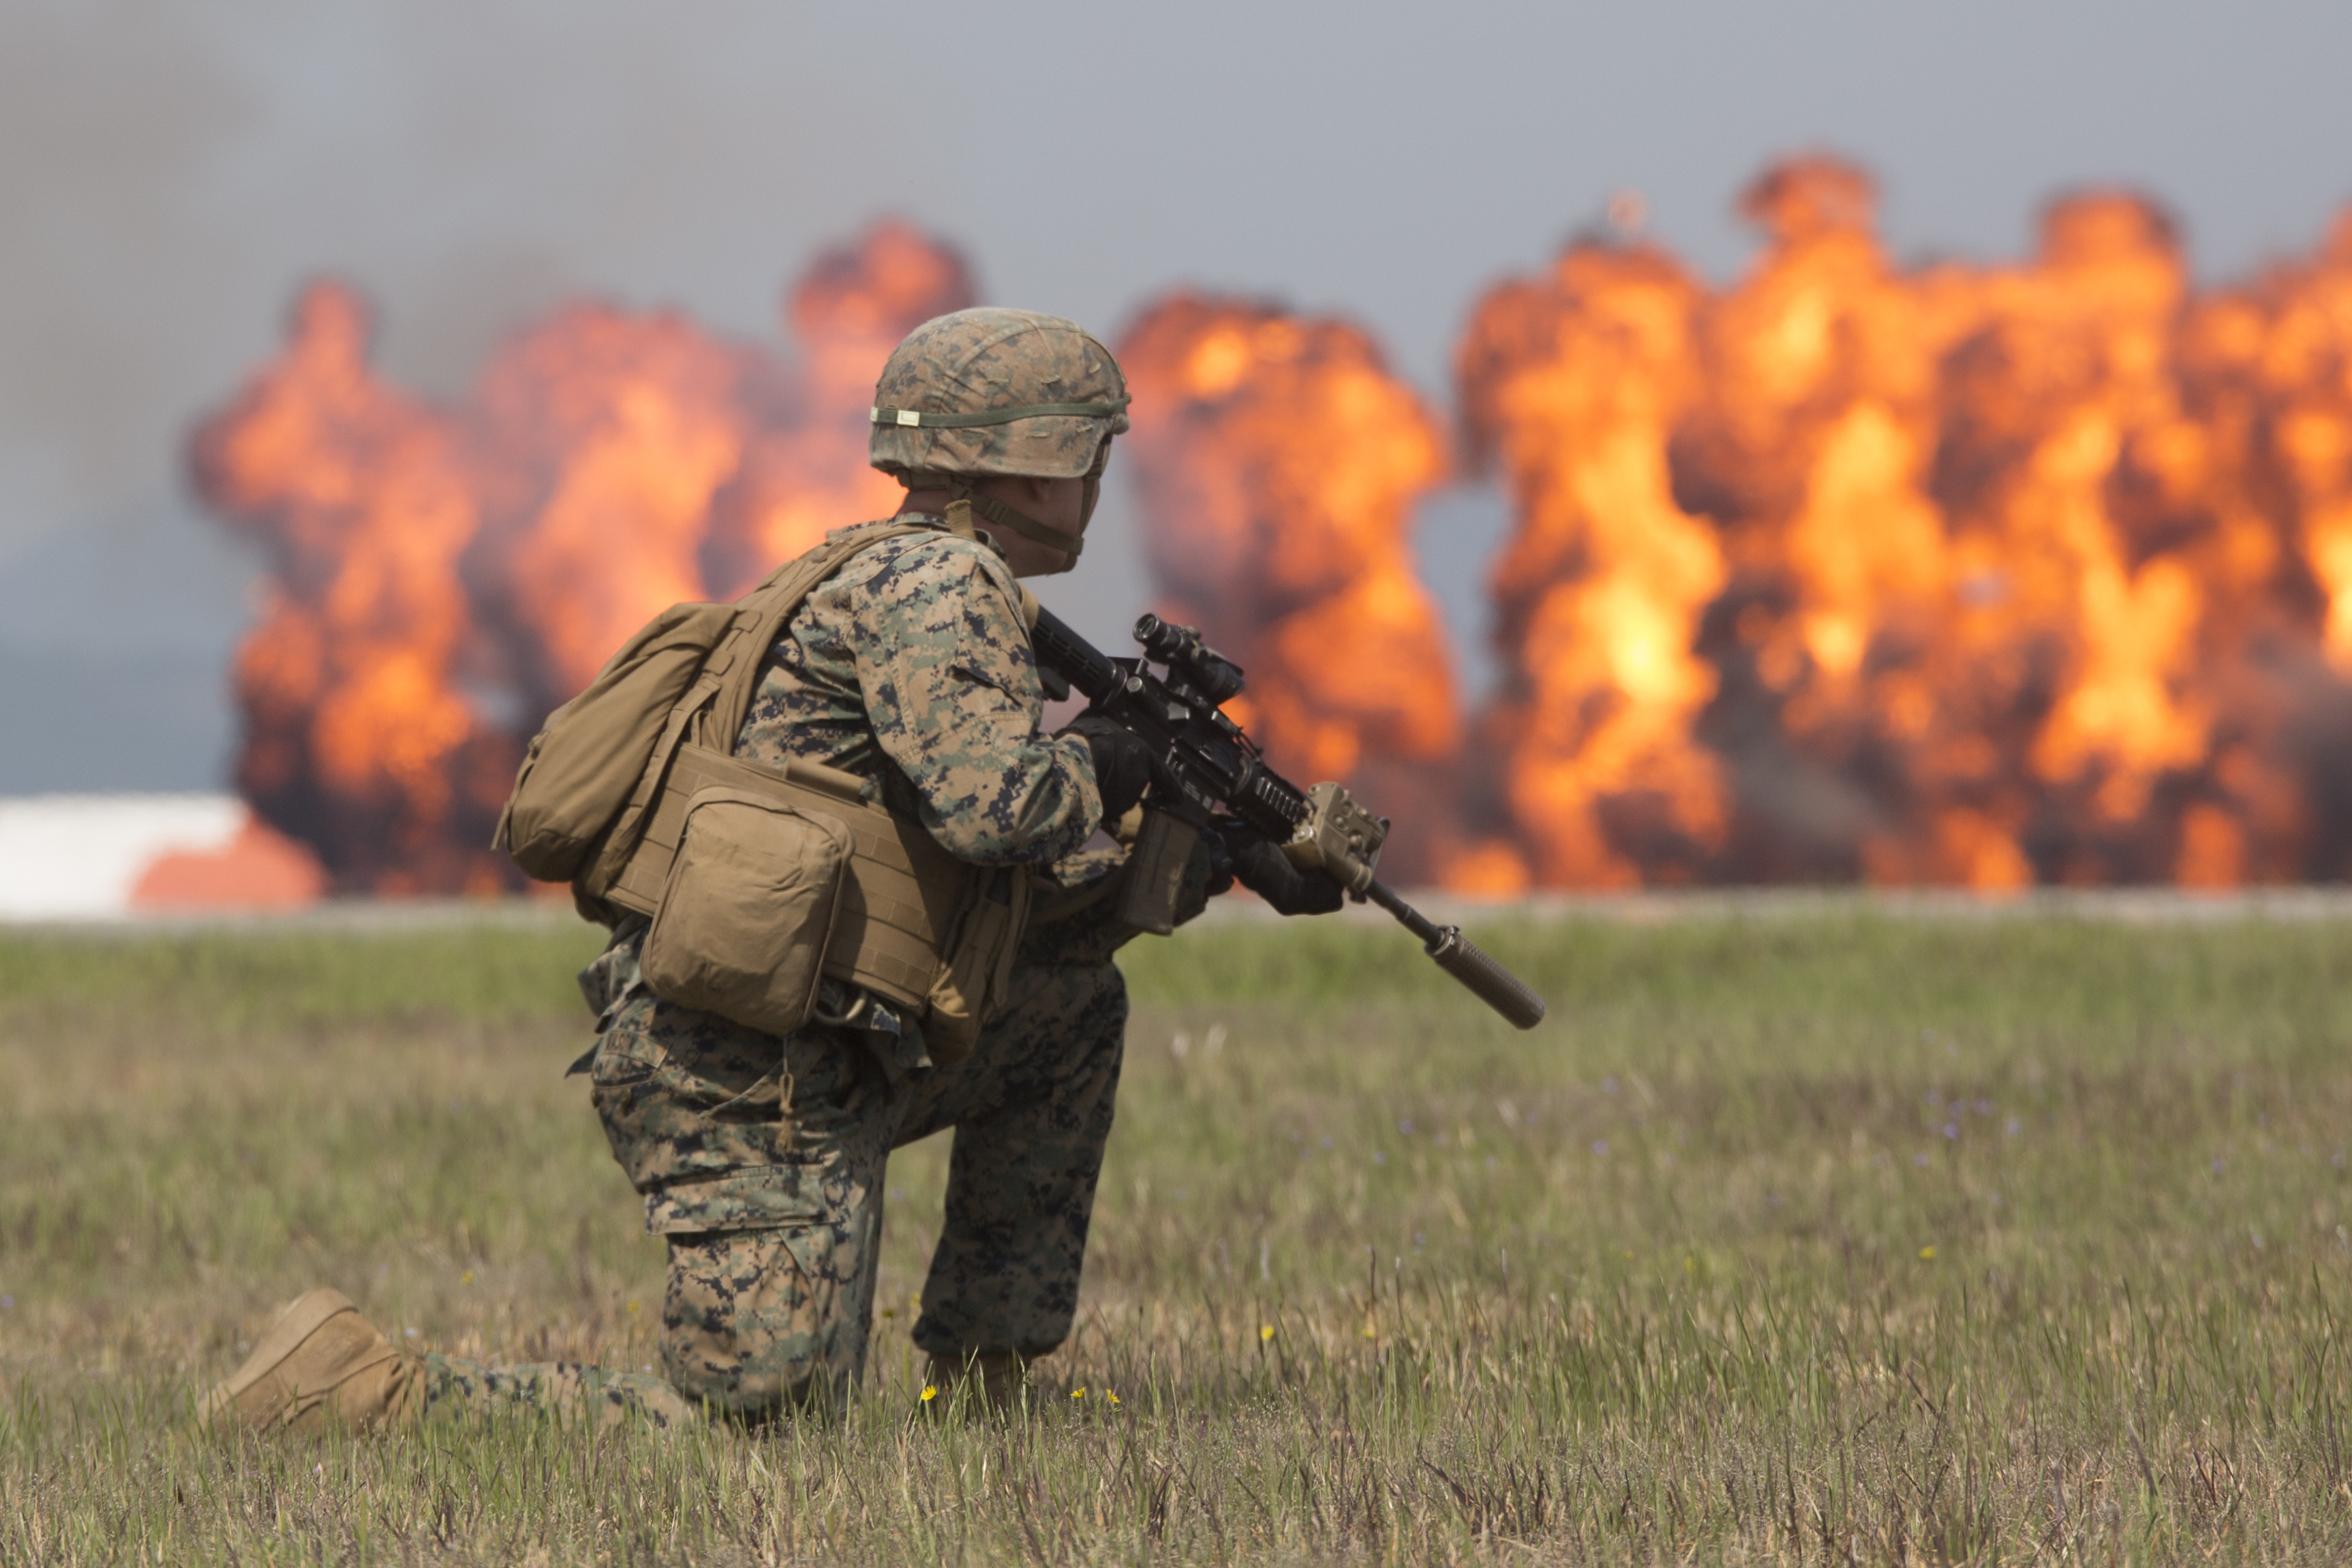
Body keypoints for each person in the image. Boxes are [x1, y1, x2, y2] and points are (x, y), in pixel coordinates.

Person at [204, 307, 1341, 1434]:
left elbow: (1002, 913)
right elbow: (998, 812)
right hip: (744, 1076)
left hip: (829, 1038)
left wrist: (1210, 860)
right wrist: (1110, 756)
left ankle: (989, 1390)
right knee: (761, 1426)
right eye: (1089, 451)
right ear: (1031, 462)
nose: (1099, 482)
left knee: (1070, 1011)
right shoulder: (942, 590)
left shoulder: (889, 570)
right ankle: (356, 1390)